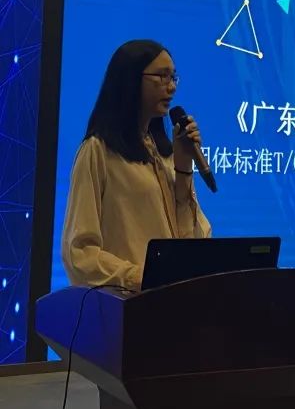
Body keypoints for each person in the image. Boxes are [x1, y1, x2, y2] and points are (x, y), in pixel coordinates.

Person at [61, 40, 211, 291]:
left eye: (173, 77)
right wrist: (141, 277)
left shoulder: (164, 153)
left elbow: (187, 239)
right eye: (162, 76)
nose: (172, 86)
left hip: (171, 301)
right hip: (127, 302)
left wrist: (184, 167)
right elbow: (80, 252)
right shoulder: (98, 151)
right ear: (131, 79)